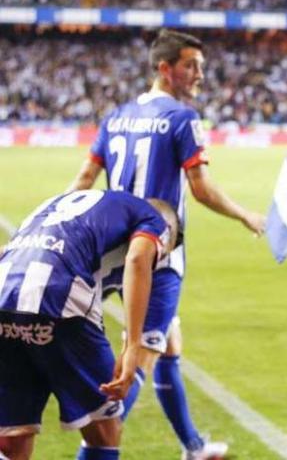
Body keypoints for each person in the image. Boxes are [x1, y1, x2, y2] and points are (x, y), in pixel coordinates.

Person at [68, 29, 266, 460]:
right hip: (157, 253)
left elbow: (84, 180)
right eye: (191, 66)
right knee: (140, 359)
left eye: (201, 67)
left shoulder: (116, 115)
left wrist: (58, 220)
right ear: (165, 68)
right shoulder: (181, 117)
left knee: (169, 345)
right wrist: (246, 214)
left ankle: (193, 447)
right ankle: (96, 450)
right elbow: (201, 188)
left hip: (110, 246)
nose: (199, 75)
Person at [0, 189, 178, 460]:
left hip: (4, 294)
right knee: (104, 432)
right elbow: (138, 258)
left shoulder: (69, 206)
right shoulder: (155, 219)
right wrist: (132, 345)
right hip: (59, 299)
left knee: (13, 438)